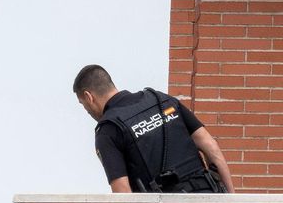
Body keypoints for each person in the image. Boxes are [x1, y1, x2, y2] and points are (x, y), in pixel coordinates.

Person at [73, 64, 235, 194]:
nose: (86, 110)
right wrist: (231, 202)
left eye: (83, 104)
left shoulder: (108, 130)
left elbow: (122, 192)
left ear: (89, 97)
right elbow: (212, 149)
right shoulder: (161, 100)